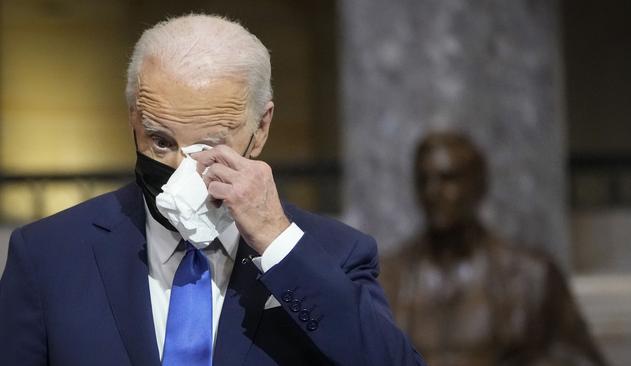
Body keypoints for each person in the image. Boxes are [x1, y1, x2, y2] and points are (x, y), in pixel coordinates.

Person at [0, 14, 424, 366]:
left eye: (208, 146)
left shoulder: (334, 254)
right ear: (133, 119)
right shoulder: (48, 257)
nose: (182, 170)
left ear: (260, 129)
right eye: (161, 142)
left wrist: (276, 242)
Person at [381, 131, 608, 366]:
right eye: (423, 180)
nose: (432, 192)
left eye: (448, 178)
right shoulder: (387, 278)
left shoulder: (532, 275)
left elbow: (584, 360)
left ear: (479, 184)